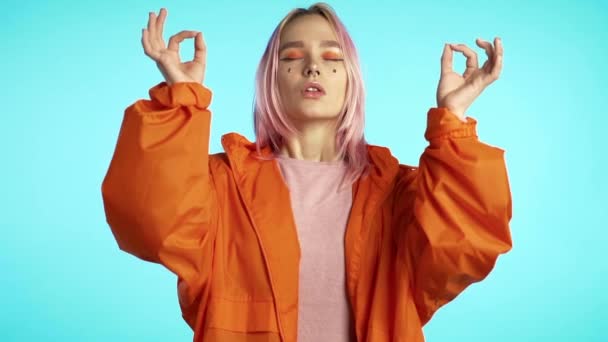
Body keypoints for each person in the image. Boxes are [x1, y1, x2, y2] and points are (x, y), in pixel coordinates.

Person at [101, 3, 512, 341]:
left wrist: (453, 121)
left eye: (332, 58)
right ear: (271, 80)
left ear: (351, 80)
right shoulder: (222, 186)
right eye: (293, 57)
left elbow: (464, 250)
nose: (313, 68)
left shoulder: (399, 194)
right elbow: (150, 224)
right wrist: (181, 100)